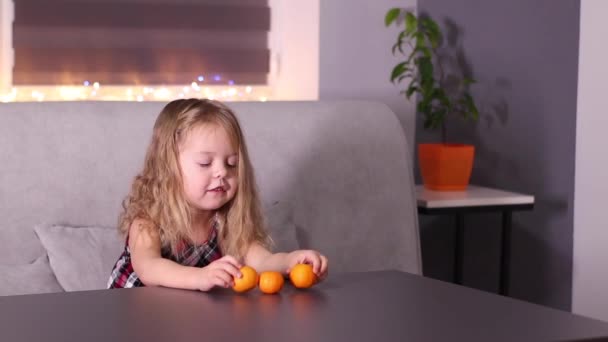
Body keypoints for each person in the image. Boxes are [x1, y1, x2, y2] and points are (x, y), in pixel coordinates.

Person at [108, 98, 328, 291]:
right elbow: (150, 268)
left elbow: (261, 260)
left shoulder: (225, 221)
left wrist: (290, 262)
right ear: (168, 167)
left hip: (182, 317)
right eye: (205, 163)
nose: (222, 171)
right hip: (136, 313)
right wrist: (200, 276)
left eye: (232, 164)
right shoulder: (148, 222)